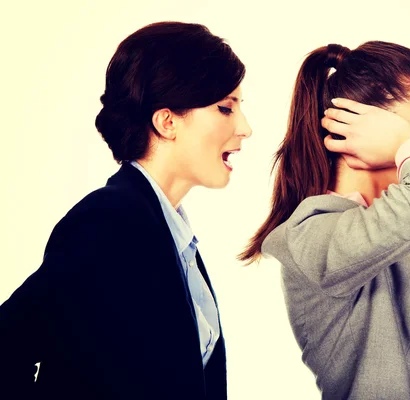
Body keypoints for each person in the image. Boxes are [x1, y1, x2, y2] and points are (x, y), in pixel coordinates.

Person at [0, 21, 251, 399]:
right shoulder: (107, 223)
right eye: (225, 108)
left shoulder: (171, 235)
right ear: (167, 122)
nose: (245, 128)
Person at [240, 42, 410, 399]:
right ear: (361, 127)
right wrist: (407, 144)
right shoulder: (314, 236)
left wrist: (408, 141)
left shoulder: (392, 232)